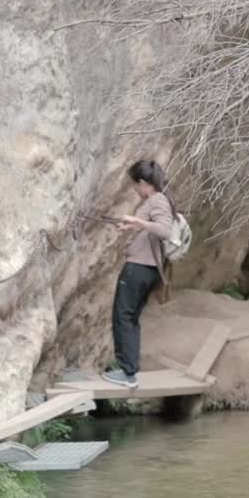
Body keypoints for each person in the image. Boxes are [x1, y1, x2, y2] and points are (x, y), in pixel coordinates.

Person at [102, 160, 175, 388]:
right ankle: (130, 371)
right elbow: (150, 230)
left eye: (135, 184)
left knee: (122, 316)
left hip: (139, 268)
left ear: (143, 183)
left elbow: (164, 230)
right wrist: (131, 226)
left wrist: (136, 220)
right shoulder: (157, 200)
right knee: (131, 318)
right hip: (147, 269)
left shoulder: (158, 200)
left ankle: (127, 373)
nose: (134, 189)